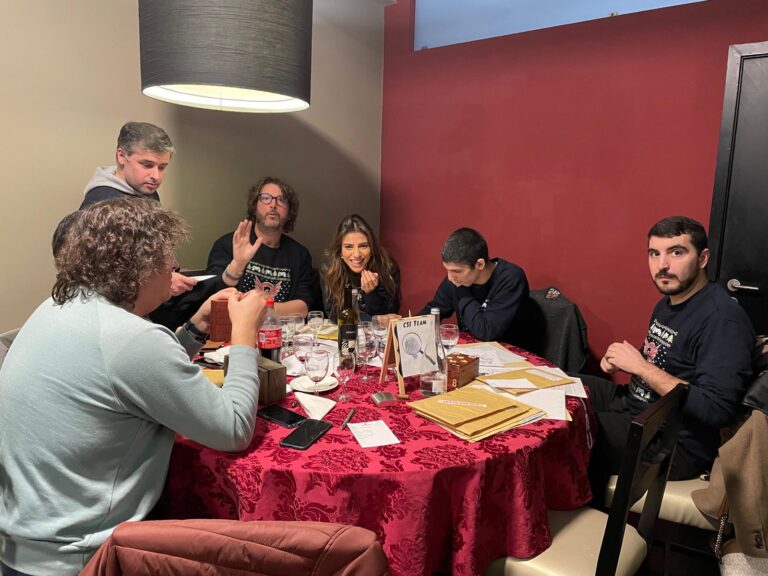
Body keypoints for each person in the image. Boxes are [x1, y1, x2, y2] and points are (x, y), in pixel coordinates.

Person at [0, 198, 267, 576]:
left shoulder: (57, 307)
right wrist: (244, 335)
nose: (175, 265)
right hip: (84, 558)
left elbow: (132, 380)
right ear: (138, 266)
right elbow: (233, 428)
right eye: (167, 255)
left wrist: (196, 327)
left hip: (23, 548)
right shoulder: (130, 339)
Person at [587, 215, 754, 494]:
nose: (662, 265)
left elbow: (717, 408)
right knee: (560, 384)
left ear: (703, 258)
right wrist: (623, 360)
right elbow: (663, 359)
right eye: (654, 253)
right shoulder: (669, 302)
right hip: (636, 405)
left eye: (676, 253)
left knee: (566, 427)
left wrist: (641, 367)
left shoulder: (723, 320)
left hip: (672, 442)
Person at [79, 121, 196, 298]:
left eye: (162, 167)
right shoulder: (103, 203)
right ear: (121, 156)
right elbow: (101, 274)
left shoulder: (147, 192)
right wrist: (161, 283)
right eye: (147, 165)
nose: (156, 176)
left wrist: (170, 272)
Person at [206, 177, 315, 317]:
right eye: (266, 198)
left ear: (289, 212)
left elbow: (302, 308)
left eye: (281, 200)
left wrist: (264, 306)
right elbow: (213, 297)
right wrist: (237, 266)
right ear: (254, 206)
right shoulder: (229, 244)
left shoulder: (299, 254)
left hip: (279, 329)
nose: (273, 205)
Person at [419, 227, 532, 345]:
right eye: (447, 270)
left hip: (509, 351)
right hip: (471, 350)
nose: (450, 278)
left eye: (457, 271)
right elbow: (433, 311)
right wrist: (409, 326)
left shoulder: (511, 278)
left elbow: (486, 332)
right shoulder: (458, 279)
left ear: (480, 264)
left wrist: (461, 289)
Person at [322, 214, 400, 322]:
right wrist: (374, 320)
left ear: (372, 248)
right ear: (340, 251)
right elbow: (334, 315)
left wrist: (371, 294)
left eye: (363, 246)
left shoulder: (387, 266)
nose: (356, 255)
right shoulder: (330, 268)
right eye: (348, 247)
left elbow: (389, 316)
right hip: (344, 330)